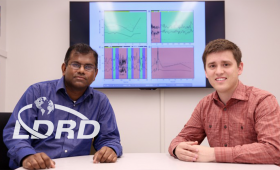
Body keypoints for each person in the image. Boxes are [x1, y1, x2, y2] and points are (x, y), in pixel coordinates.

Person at [3, 43, 123, 169]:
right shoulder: (37, 92)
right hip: (38, 167)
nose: (81, 70)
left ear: (95, 74)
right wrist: (27, 155)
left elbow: (109, 138)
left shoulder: (100, 101)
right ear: (64, 68)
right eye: (76, 65)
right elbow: (15, 132)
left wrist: (110, 148)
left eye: (88, 67)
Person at [168, 39, 280, 165]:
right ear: (205, 72)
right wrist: (177, 149)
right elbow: (180, 139)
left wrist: (214, 153)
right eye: (212, 66)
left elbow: (274, 150)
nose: (219, 71)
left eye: (226, 64)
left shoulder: (263, 101)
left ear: (240, 68)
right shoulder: (204, 105)